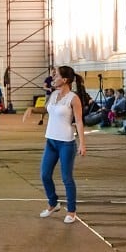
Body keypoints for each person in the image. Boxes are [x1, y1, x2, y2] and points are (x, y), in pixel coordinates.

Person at [39, 66, 86, 223]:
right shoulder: (53, 95)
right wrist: (31, 110)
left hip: (66, 143)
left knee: (66, 178)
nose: (53, 78)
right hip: (50, 140)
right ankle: (53, 203)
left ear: (64, 80)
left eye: (56, 75)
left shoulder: (73, 98)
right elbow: (46, 111)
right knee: (45, 175)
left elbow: (79, 121)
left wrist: (82, 144)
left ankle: (71, 211)